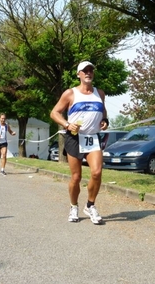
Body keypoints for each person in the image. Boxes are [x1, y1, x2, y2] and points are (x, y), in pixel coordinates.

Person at [50, 61, 109, 225]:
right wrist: (67, 124)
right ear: (79, 74)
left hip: (93, 137)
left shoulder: (100, 93)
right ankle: (73, 205)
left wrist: (105, 120)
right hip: (74, 137)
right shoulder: (70, 93)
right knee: (76, 177)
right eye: (85, 71)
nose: (88, 73)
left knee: (97, 173)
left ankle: (90, 205)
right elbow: (54, 112)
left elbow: (102, 109)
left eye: (91, 70)